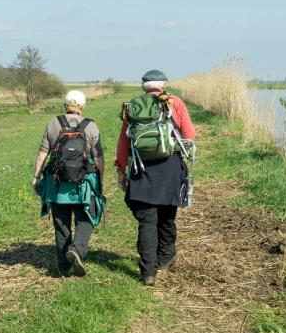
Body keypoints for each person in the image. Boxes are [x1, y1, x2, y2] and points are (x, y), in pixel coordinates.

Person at [115, 70, 196, 286]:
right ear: (164, 84)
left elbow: (124, 142)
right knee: (168, 216)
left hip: (142, 170)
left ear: (144, 86)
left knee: (147, 221)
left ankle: (148, 272)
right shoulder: (174, 102)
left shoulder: (133, 105)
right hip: (170, 167)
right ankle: (165, 258)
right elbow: (189, 135)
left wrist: (121, 169)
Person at [33, 90, 105, 277]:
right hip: (83, 185)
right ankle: (78, 250)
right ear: (82, 106)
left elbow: (43, 153)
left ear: (65, 105)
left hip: (57, 186)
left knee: (61, 223)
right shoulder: (90, 126)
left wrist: (36, 177)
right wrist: (100, 181)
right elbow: (99, 158)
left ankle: (64, 266)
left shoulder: (53, 123)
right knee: (86, 218)